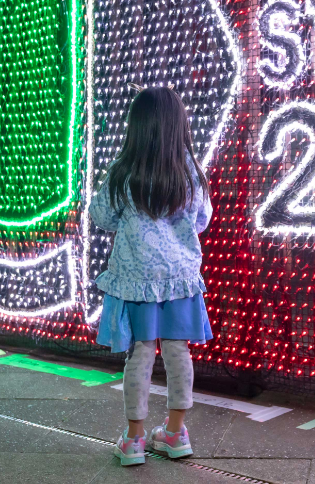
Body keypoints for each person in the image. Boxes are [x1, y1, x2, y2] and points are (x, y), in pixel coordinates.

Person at [90, 87, 213, 466]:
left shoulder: (123, 172)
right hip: (179, 279)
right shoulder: (190, 173)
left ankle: (134, 439)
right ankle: (175, 433)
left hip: (137, 279)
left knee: (140, 353)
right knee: (178, 350)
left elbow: (101, 217)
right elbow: (202, 220)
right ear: (179, 127)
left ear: (137, 128)